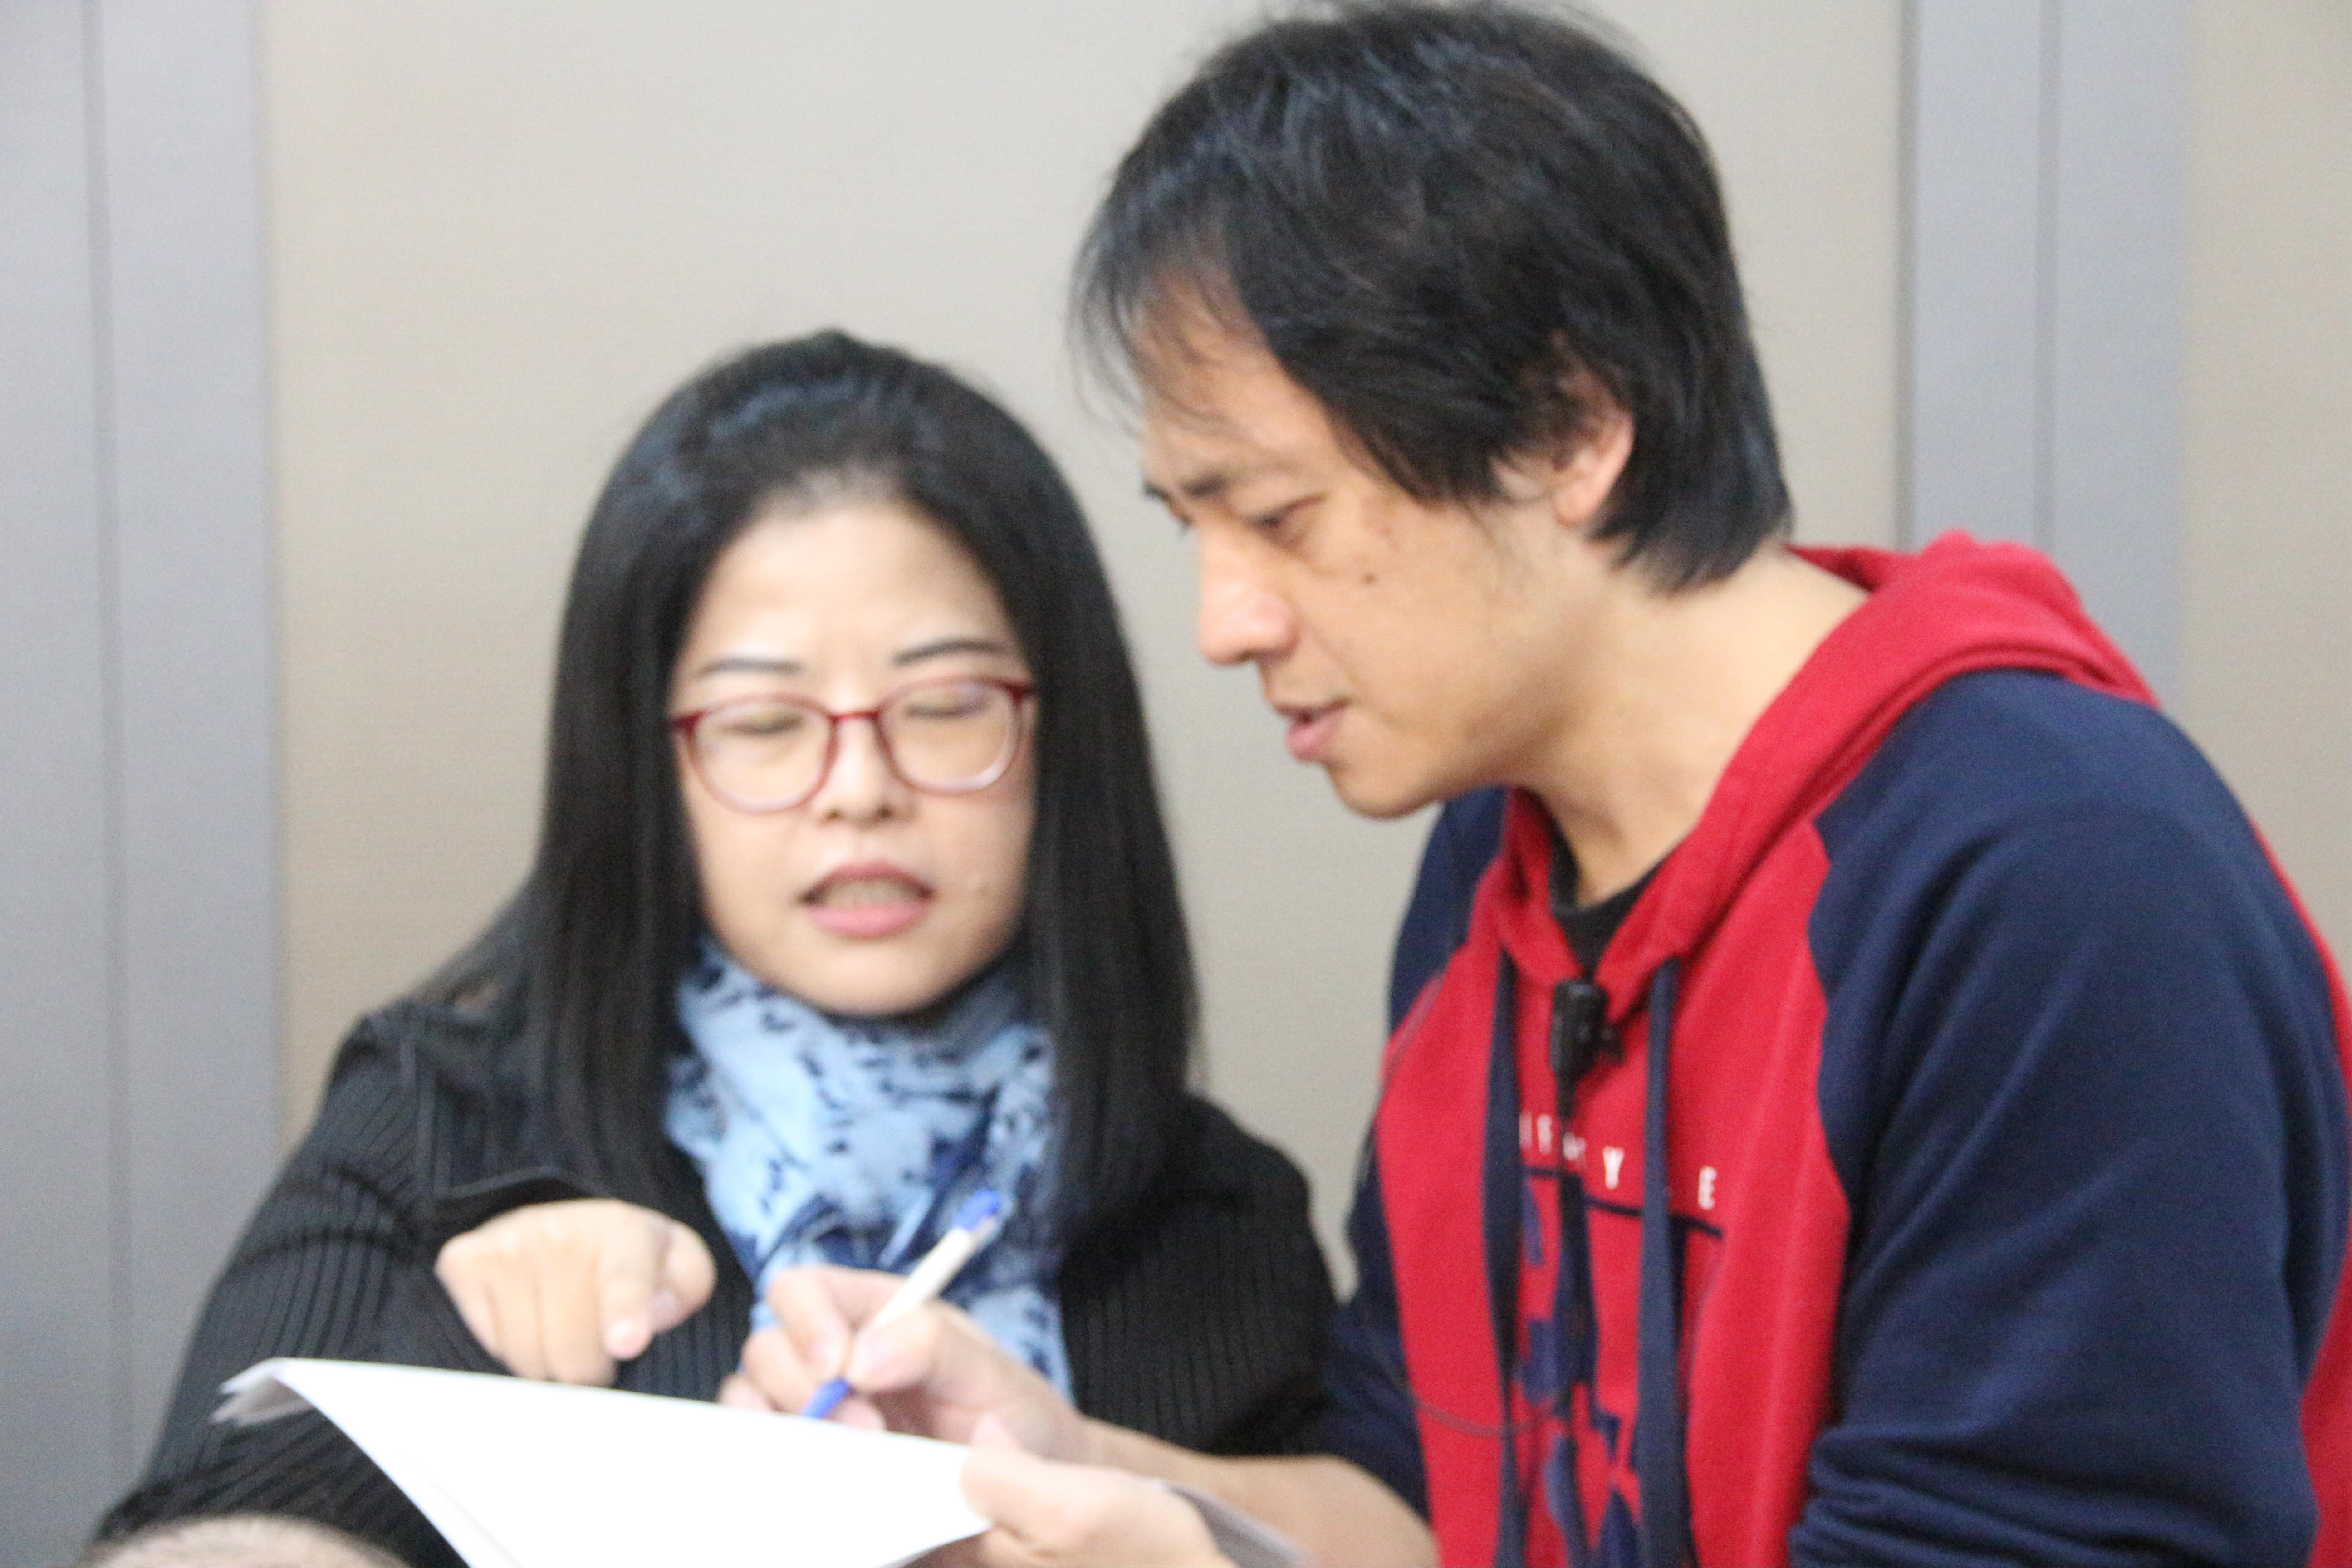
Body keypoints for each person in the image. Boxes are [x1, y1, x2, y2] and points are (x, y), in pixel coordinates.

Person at [739, 6, 2352, 1566]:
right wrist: (1067, 1464)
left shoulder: (2051, 883)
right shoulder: (1498, 859)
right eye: (1194, 529)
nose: (1224, 623)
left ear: (1572, 429)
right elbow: (1430, 1502)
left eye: (1280, 518)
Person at [88, 332, 1334, 1567]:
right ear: (647, 767)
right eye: (764, 723)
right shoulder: (437, 1120)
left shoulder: (1220, 1217)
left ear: (1068, 740)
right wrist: (460, 1343)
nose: (859, 789)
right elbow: (190, 1534)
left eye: (946, 707)